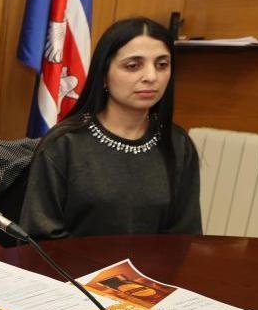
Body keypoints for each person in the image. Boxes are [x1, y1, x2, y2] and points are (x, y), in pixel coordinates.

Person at [20, 17, 202, 239]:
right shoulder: (64, 144)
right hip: (72, 272)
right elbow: (40, 240)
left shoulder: (178, 144)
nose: (151, 77)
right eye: (133, 66)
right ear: (104, 74)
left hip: (152, 272)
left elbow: (184, 238)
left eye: (162, 65)